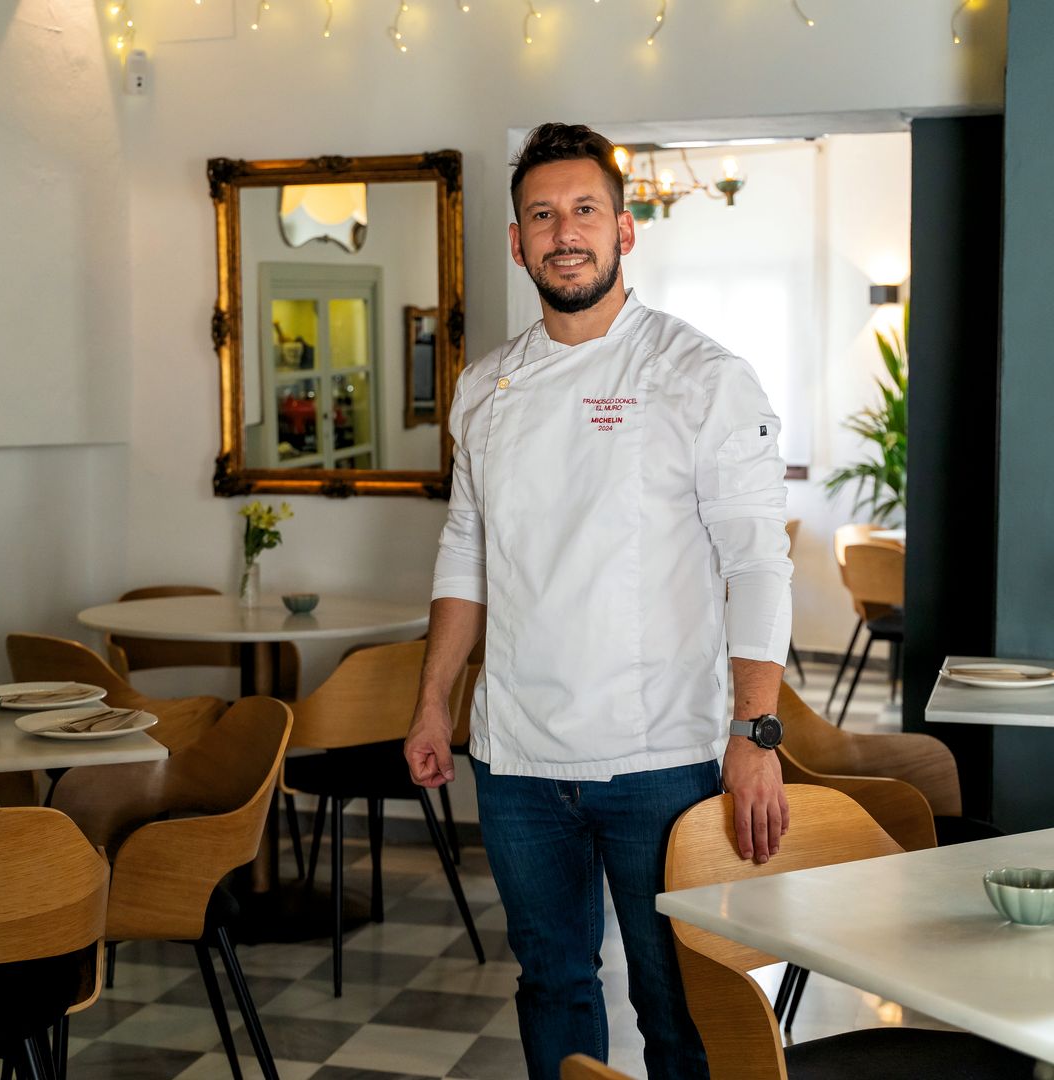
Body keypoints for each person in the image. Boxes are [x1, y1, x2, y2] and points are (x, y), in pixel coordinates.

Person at [405, 122, 792, 1080]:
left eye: (585, 210)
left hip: (663, 756)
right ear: (517, 241)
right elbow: (467, 550)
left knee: (677, 1003)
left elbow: (756, 565)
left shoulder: (702, 376)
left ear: (625, 229)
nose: (564, 232)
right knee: (552, 985)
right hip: (516, 756)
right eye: (542, 215)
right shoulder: (484, 387)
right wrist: (434, 700)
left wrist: (756, 733)